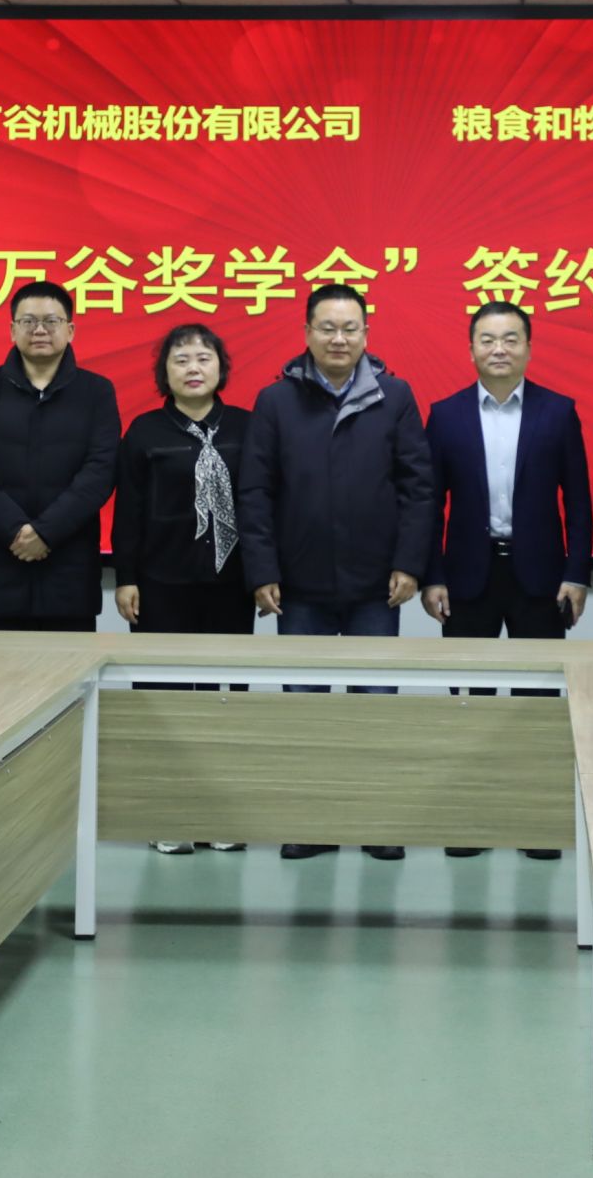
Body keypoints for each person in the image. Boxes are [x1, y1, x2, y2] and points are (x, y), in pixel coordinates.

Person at [237, 283, 434, 861]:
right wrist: (262, 570)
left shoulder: (394, 396)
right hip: (299, 586)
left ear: (367, 335)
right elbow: (255, 492)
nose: (339, 339)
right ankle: (312, 821)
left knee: (375, 707)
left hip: (377, 585)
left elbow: (418, 488)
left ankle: (377, 821)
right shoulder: (276, 401)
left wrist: (409, 563)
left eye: (350, 329)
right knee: (306, 711)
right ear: (307, 333)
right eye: (327, 328)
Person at [423, 300, 592, 861]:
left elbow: (579, 502)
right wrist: (432, 576)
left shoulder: (558, 412)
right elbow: (429, 505)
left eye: (511, 339)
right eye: (488, 339)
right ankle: (469, 820)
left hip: (539, 578)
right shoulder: (445, 415)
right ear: (471, 348)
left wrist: (577, 574)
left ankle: (535, 822)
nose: (499, 349)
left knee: (537, 706)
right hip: (467, 577)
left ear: (528, 347)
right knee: (468, 704)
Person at [114, 322, 254, 856]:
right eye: (181, 360)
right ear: (165, 372)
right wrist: (126, 577)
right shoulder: (144, 431)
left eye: (203, 358)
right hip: (161, 583)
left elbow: (263, 503)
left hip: (231, 583)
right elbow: (127, 512)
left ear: (220, 368)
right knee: (164, 703)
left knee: (225, 701)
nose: (193, 368)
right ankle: (167, 813)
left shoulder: (247, 427)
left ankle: (221, 814)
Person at [0, 280, 120, 633]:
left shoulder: (97, 391)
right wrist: (16, 530)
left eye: (51, 321)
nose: (39, 330)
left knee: (73, 667)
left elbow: (101, 470)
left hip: (70, 568)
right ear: (12, 330)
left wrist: (46, 532)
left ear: (70, 330)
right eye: (28, 321)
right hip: (2, 561)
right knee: (2, 667)